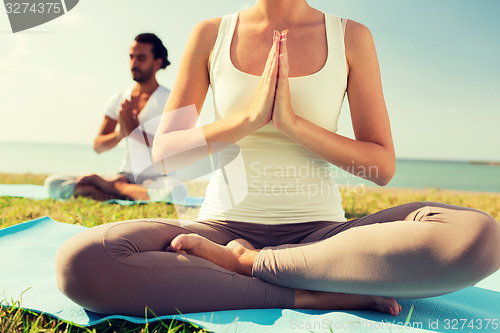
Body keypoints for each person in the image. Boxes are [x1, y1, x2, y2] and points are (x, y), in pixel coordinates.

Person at [54, 0, 500, 318]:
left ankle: (249, 268)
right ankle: (309, 293)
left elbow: (380, 166)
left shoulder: (351, 36)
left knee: (479, 236)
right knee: (82, 261)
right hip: (220, 229)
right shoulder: (211, 33)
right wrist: (248, 118)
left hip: (324, 237)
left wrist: (293, 123)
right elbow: (167, 154)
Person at [44, 33, 187, 202]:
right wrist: (121, 133)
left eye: (141, 58)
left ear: (157, 62)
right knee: (52, 183)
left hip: (158, 178)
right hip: (125, 176)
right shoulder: (120, 98)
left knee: (176, 192)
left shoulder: (172, 100)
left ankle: (112, 189)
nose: (134, 63)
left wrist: (134, 133)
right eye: (131, 57)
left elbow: (175, 148)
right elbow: (98, 146)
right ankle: (125, 190)